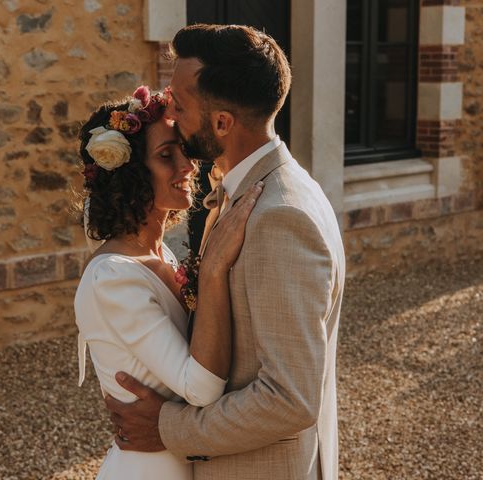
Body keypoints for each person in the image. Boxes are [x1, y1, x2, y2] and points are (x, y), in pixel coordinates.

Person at [104, 24, 346, 480]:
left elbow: (289, 398)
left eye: (179, 102)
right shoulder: (246, 189)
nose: (168, 112)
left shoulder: (278, 217)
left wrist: (168, 428)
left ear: (221, 123)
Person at [74, 86, 263, 480]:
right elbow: (202, 389)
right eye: (165, 156)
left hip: (185, 458)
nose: (187, 166)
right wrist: (212, 271)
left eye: (183, 151)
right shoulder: (112, 278)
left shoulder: (163, 255)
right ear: (130, 176)